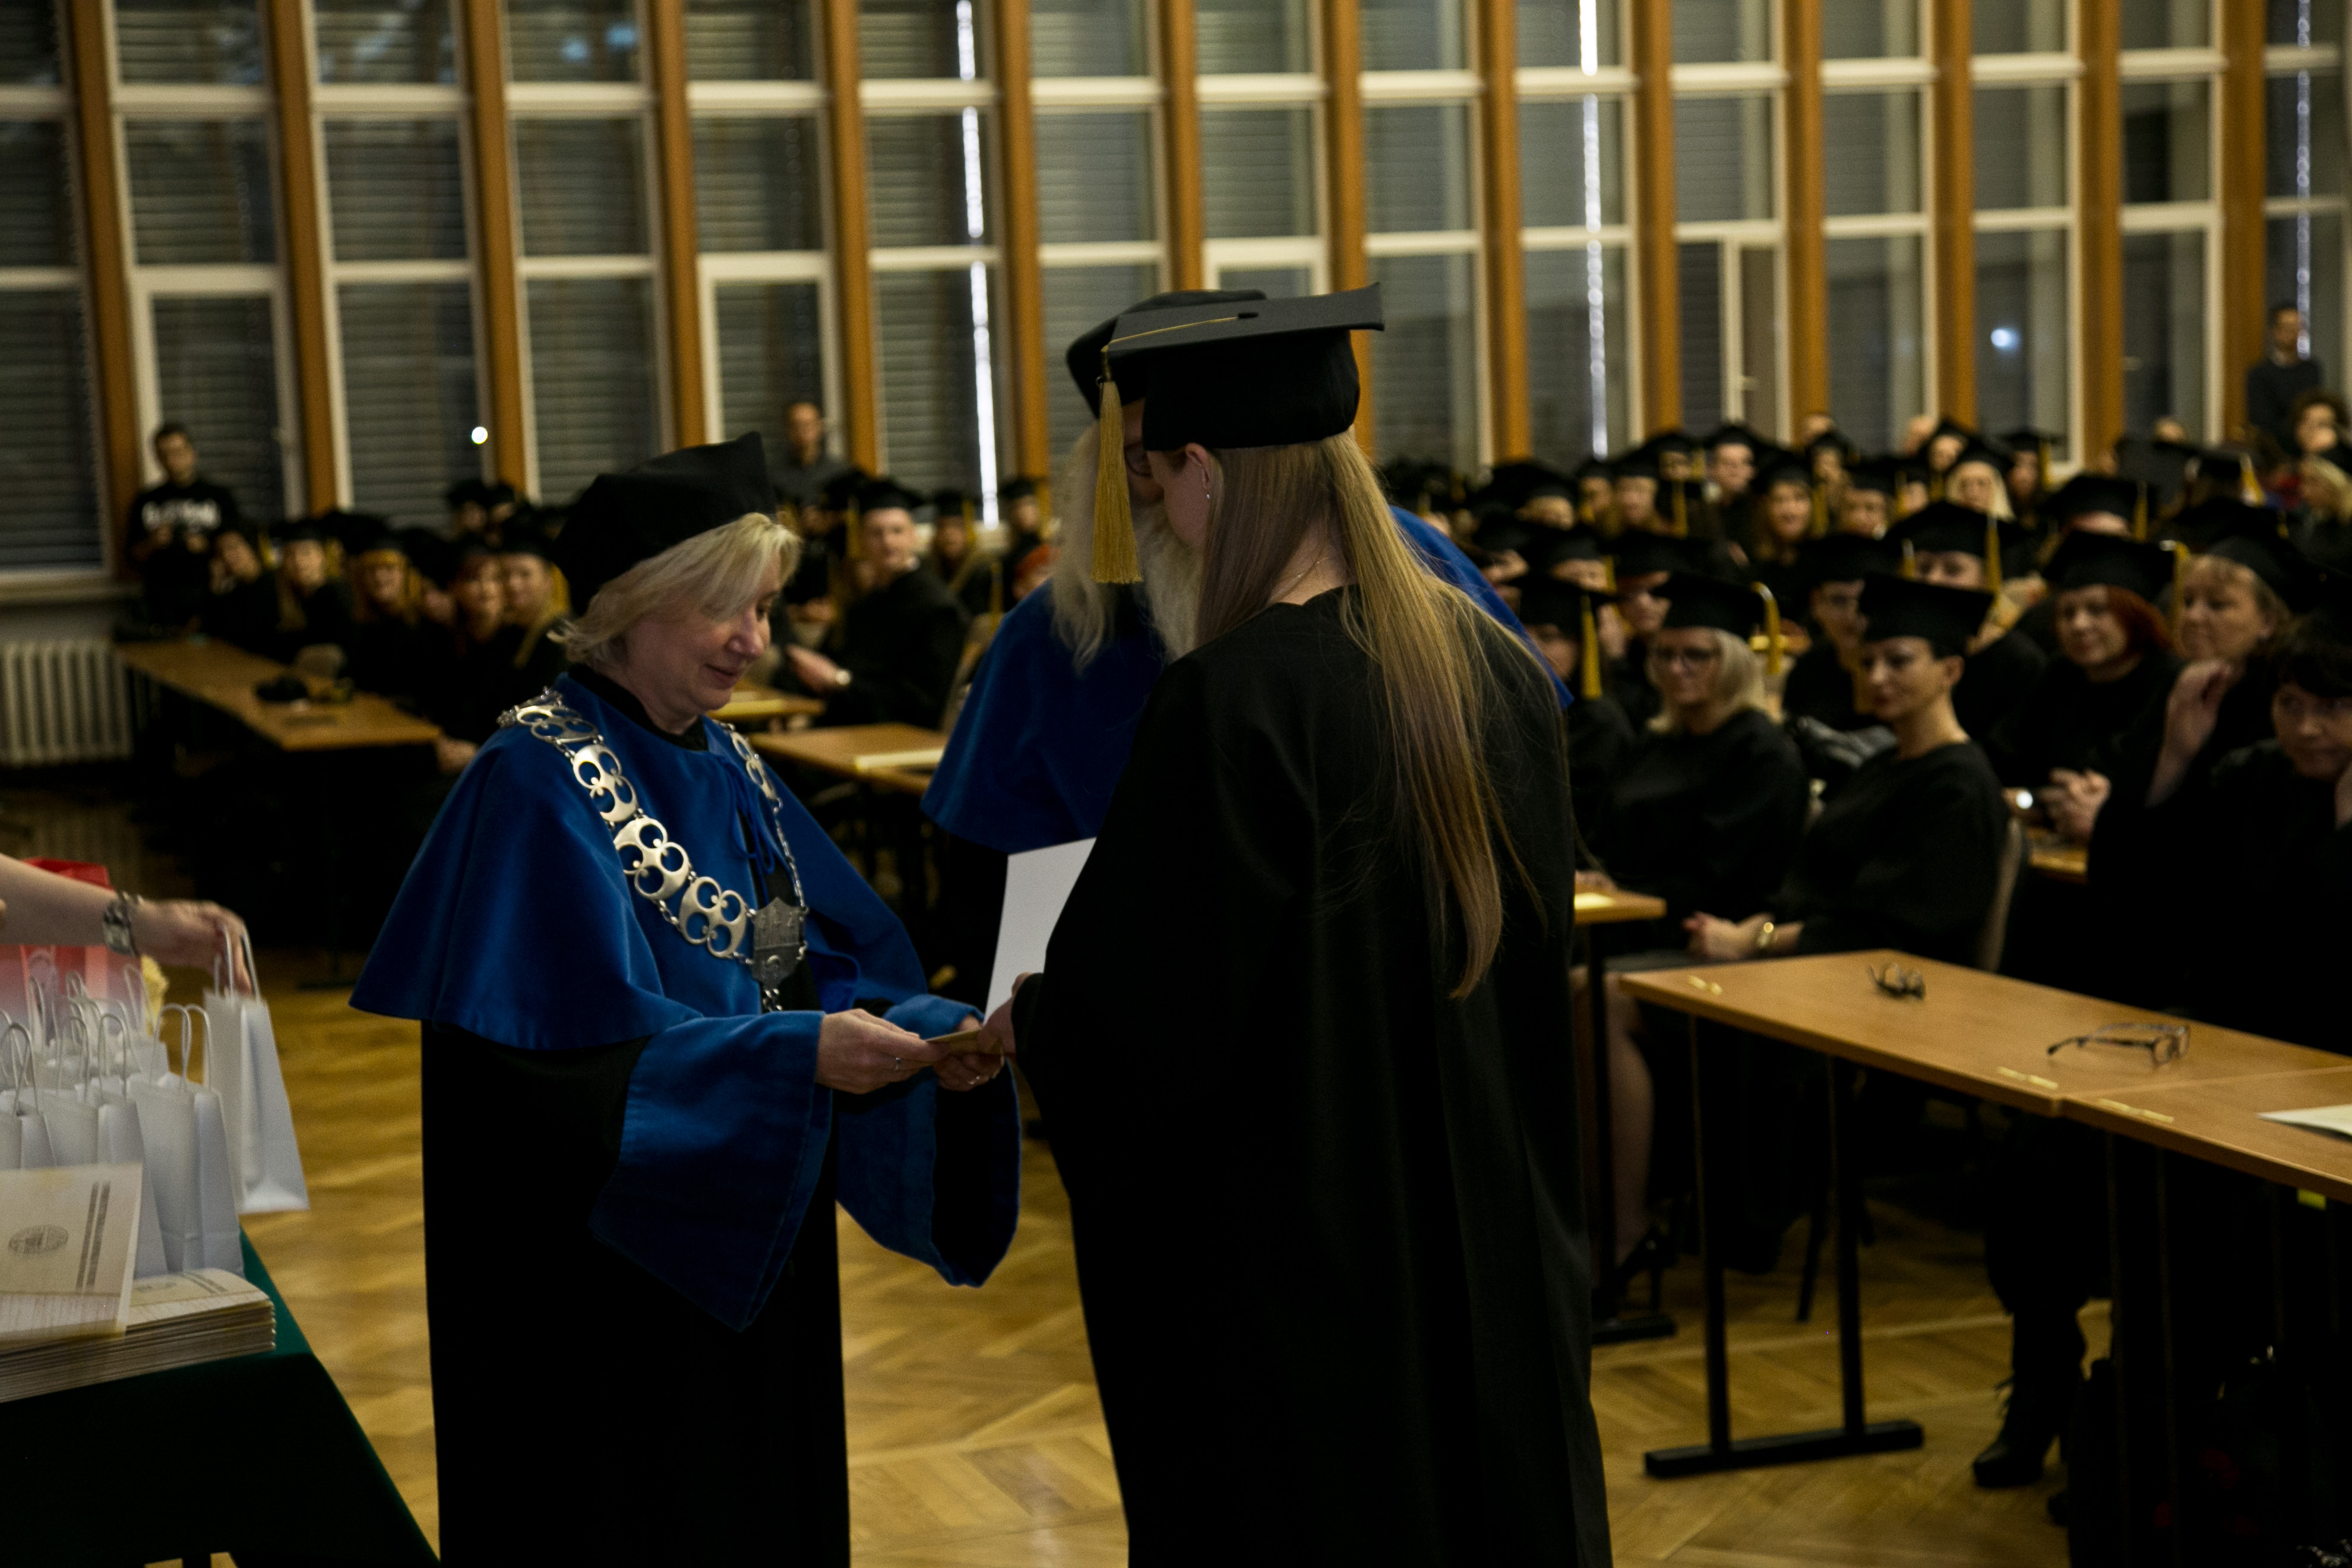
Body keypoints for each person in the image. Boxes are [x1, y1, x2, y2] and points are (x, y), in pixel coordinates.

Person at [972, 287, 1610, 1564]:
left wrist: (1031, 1018)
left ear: (1206, 469)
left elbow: (1142, 1031)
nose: (1162, 510)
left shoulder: (1233, 698)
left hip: (1315, 1277)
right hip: (1495, 1245)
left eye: (1160, 479)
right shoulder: (1492, 666)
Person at [350, 432, 1019, 1564]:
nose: (756, 641)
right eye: (726, 610)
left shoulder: (729, 763)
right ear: (632, 605)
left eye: (765, 608)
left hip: (754, 1218)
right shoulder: (531, 779)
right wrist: (796, 1056)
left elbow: (801, 966)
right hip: (600, 1290)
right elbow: (540, 1076)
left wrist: (924, 1033)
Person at [1684, 574, 2008, 967]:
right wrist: (1742, 933)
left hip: (1869, 979)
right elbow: (1809, 887)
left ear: (1951, 672)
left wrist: (1756, 941)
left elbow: (1890, 929)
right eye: (1868, 662)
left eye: (1899, 661)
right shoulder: (1880, 766)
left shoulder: (1960, 786)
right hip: (1802, 962)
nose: (1876, 677)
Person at [1984, 532, 2183, 826]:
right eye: (2067, 613)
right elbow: (2006, 753)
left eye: (2097, 610)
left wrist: (2032, 799)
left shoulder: (2173, 682)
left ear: (2135, 615)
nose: (2079, 625)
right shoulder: (2060, 674)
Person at [785, 479, 969, 727]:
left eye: (897, 531)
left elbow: (922, 704)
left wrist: (840, 681)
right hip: (851, 727)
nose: (887, 542)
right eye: (876, 533)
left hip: (901, 737)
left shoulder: (938, 608)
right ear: (862, 539)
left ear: (913, 536)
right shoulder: (866, 604)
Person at [1891, 502, 2047, 740]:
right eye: (1924, 568)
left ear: (1986, 578)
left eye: (1953, 570)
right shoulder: (1904, 656)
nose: (1933, 581)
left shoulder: (2020, 663)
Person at [1518, 577, 1633, 841]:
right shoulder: (1517, 709)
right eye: (1523, 634)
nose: (1531, 647)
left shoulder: (1601, 725)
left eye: (1548, 636)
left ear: (1582, 644)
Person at [1779, 533, 1903, 735]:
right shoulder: (1806, 673)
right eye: (1839, 601)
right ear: (1816, 604)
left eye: (1865, 601)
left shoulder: (1905, 671)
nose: (1851, 615)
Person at [127, 423, 241, 629]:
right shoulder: (145, 501)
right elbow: (131, 556)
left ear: (192, 453)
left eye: (177, 452)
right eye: (164, 454)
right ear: (157, 458)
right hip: (161, 599)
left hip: (211, 595)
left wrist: (206, 544)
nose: (172, 460)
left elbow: (241, 547)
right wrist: (152, 543)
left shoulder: (219, 497)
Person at [419, 549, 518, 776]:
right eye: (474, 580)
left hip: (499, 759)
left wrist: (478, 752)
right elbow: (430, 704)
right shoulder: (445, 641)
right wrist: (439, 741)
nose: (486, 589)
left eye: (495, 579)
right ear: (455, 588)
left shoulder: (518, 644)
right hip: (445, 754)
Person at [343, 519, 447, 702]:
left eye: (389, 569)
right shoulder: (363, 625)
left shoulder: (426, 625)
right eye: (371, 570)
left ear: (406, 574)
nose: (379, 577)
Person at [497, 526, 571, 696]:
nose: (513, 584)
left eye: (525, 574)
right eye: (505, 574)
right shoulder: (508, 633)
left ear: (548, 581)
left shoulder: (561, 637)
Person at [270, 520, 355, 666]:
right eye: (290, 554)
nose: (298, 561)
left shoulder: (337, 594)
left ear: (322, 555)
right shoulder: (285, 595)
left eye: (306, 552)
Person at [2247, 302, 2327, 456]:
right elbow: (2262, 422)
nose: (2292, 332)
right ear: (2275, 331)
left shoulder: (2311, 369)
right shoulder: (2260, 374)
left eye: (2297, 327)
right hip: (2274, 453)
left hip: (2310, 450)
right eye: (2287, 326)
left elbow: (2315, 407)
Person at [199, 524, 279, 655]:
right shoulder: (235, 591)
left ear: (252, 546)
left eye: (233, 547)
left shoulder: (276, 585)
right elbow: (212, 632)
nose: (226, 556)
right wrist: (216, 586)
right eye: (221, 552)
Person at [771, 399, 851, 515]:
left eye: (808, 425)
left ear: (819, 427)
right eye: (796, 425)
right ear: (787, 429)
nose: (802, 431)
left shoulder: (840, 473)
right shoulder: (773, 476)